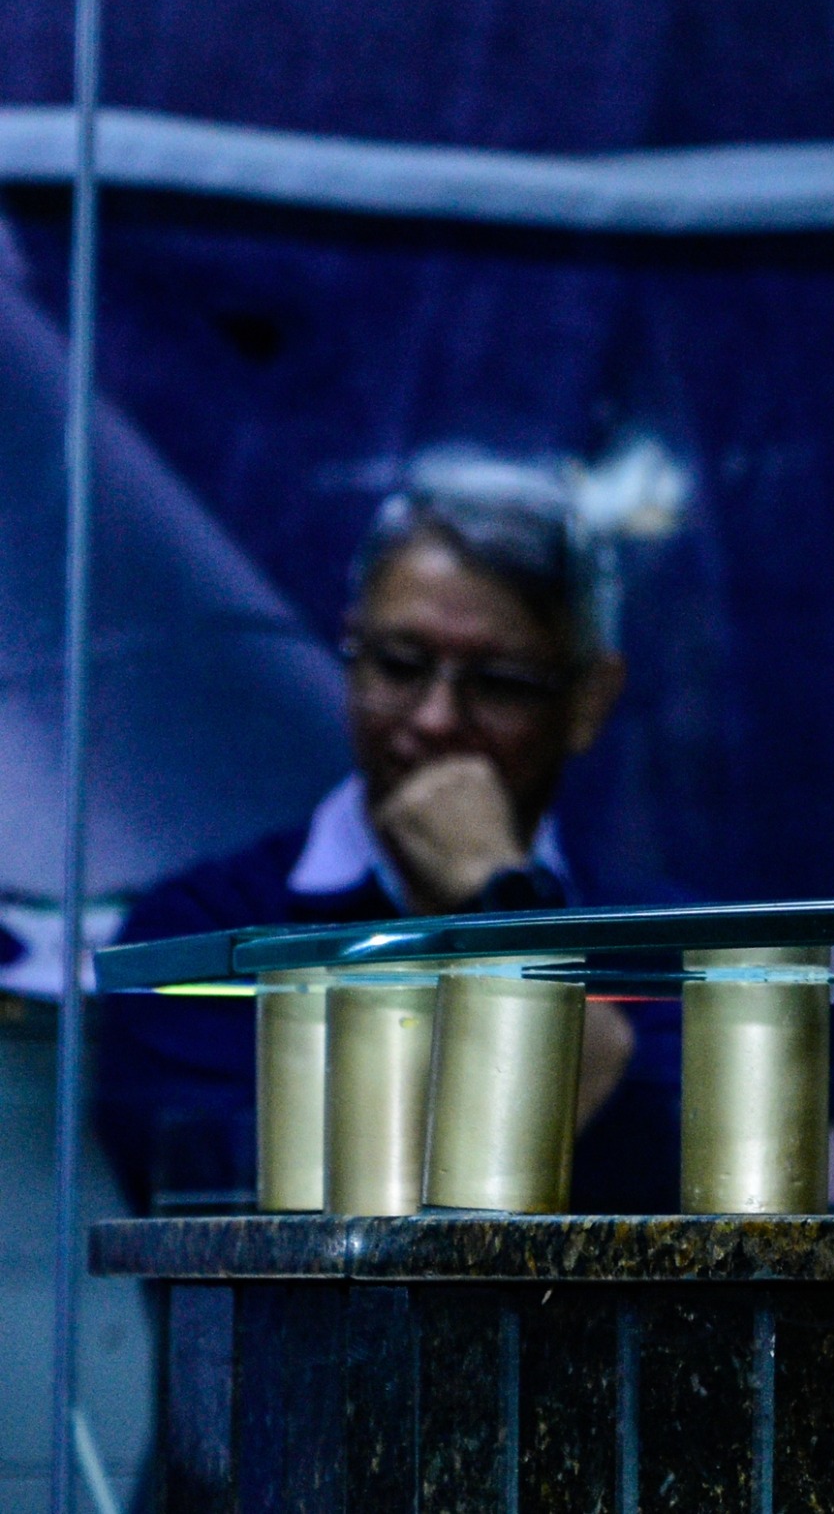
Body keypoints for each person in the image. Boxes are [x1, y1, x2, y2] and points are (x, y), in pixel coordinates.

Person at [96, 457, 678, 1211]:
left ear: (588, 702)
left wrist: (493, 896)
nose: (435, 720)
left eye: (500, 683)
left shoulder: (672, 950)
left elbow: (684, 1186)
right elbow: (232, 1187)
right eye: (400, 666)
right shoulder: (202, 929)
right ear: (352, 654)